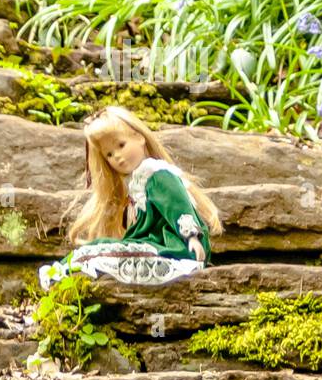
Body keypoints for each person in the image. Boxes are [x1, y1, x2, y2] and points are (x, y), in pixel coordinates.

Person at [39, 105, 223, 289]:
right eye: (109, 154)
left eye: (121, 145)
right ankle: (60, 273)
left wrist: (191, 238)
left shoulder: (157, 174)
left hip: (175, 249)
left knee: (98, 253)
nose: (118, 156)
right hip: (155, 245)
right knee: (99, 247)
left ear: (139, 137)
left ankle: (59, 273)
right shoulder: (137, 185)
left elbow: (178, 206)